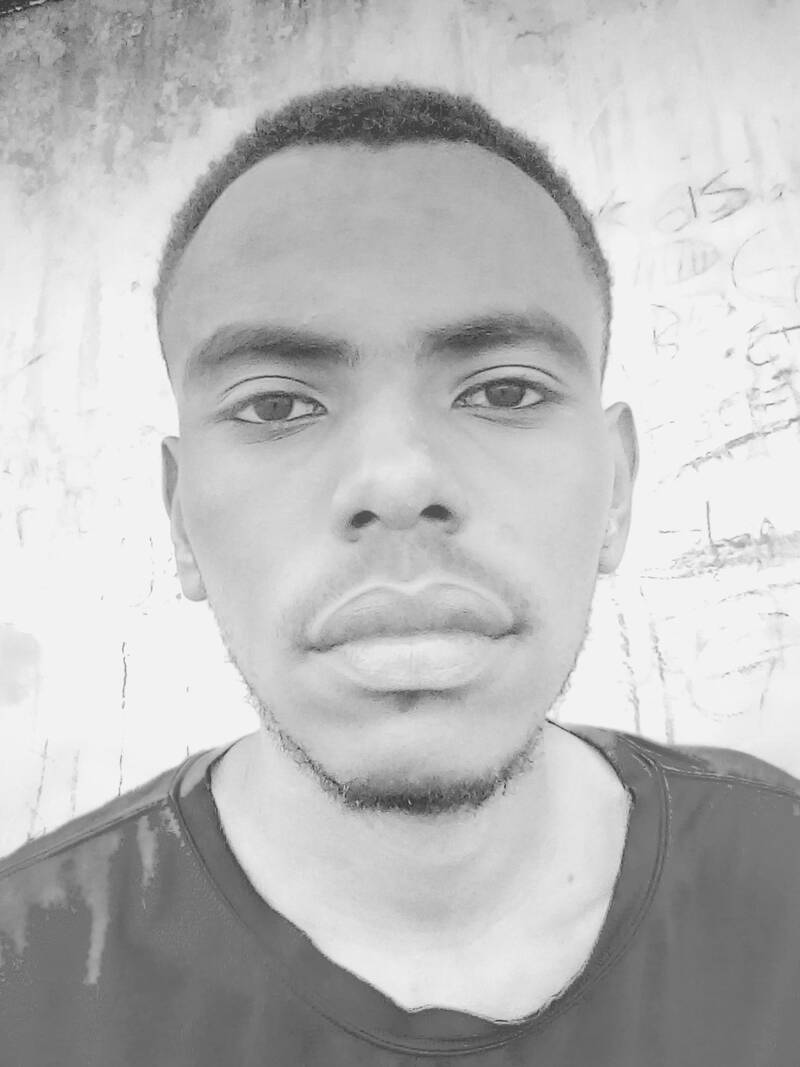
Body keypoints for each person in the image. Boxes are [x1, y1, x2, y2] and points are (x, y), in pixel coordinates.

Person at [1, 84, 799, 1067]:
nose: (397, 480)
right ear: (181, 520)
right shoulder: (24, 975)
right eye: (276, 405)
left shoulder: (783, 875)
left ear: (617, 491)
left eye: (504, 389)